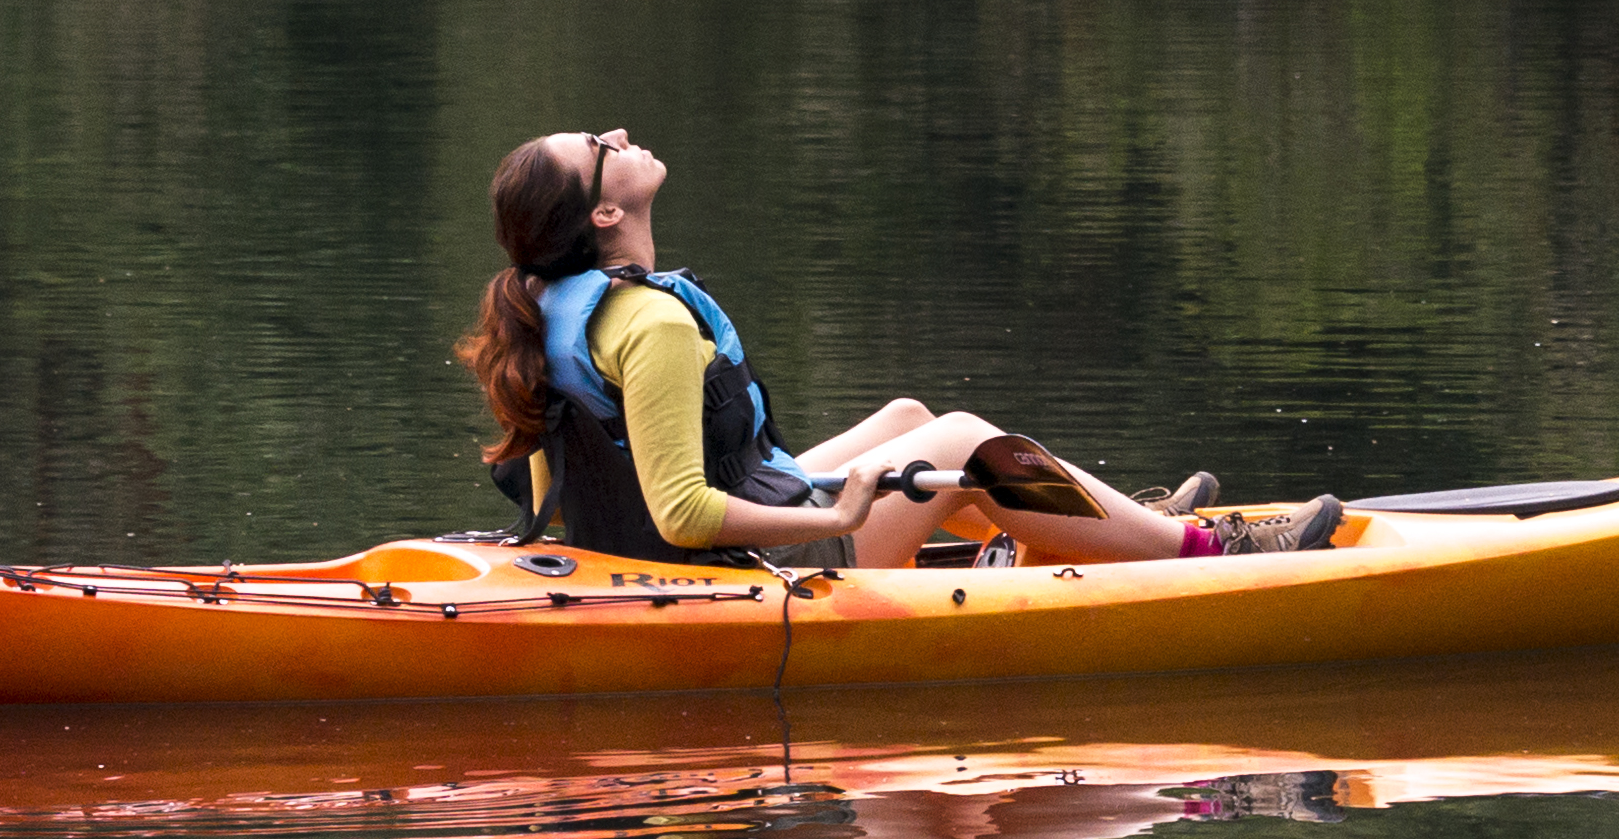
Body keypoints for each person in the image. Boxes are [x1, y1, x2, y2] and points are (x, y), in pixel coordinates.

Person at [461, 124, 1330, 569]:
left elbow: (575, 468)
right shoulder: (643, 322)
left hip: (706, 533)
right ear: (604, 215)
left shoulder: (551, 302)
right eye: (598, 148)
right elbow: (683, 514)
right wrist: (836, 518)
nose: (616, 134)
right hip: (742, 564)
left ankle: (1095, 535)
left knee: (908, 416)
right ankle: (1205, 556)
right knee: (959, 439)